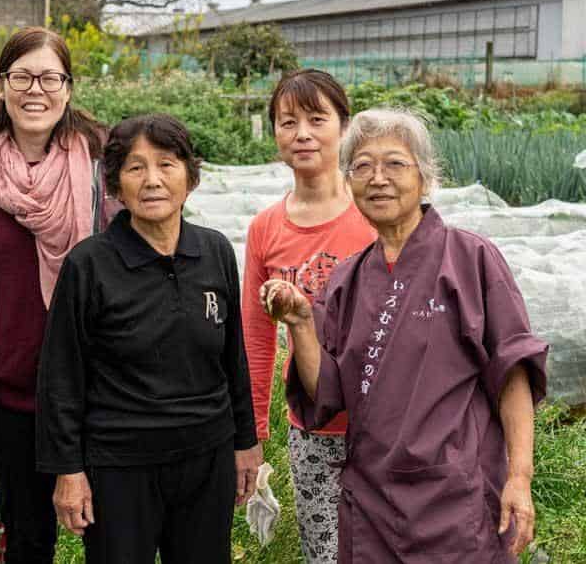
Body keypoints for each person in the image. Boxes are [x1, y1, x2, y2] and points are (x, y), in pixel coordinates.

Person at [264, 109, 548, 563]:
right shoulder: (347, 279)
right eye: (362, 166)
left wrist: (520, 478)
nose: (378, 178)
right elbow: (325, 394)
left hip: (456, 497)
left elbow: (512, 370)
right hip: (372, 499)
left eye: (394, 163)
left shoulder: (470, 258)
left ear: (425, 176)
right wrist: (300, 324)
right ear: (349, 182)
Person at [37, 113, 261, 564]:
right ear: (117, 185)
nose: (152, 180)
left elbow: (232, 356)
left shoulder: (214, 250)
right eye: (136, 168)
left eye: (167, 164)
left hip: (207, 456)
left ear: (190, 177)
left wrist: (245, 442)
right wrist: (69, 471)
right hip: (120, 466)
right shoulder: (91, 264)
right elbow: (61, 375)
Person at [0, 27, 116, 564]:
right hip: (15, 394)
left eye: (50, 77)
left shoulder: (104, 168)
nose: (35, 89)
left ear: (68, 88)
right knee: (28, 539)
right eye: (22, 76)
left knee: (108, 538)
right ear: (1, 86)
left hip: (99, 391)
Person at [241, 69, 376, 562]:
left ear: (343, 126)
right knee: (325, 552)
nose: (301, 134)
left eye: (317, 119)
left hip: (385, 423)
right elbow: (256, 338)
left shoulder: (375, 214)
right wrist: (253, 432)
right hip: (313, 426)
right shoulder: (266, 228)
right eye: (287, 121)